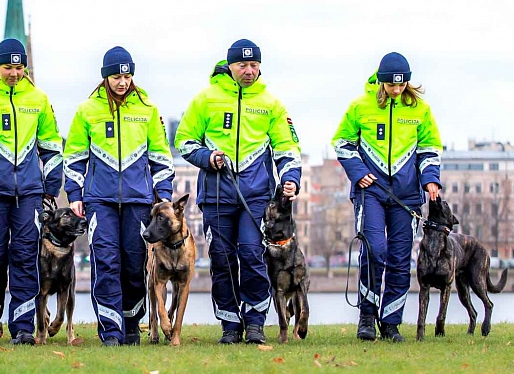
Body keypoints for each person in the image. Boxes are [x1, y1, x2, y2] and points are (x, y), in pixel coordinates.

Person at [175, 39, 301, 345]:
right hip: (217, 195)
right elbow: (185, 141)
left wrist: (291, 179)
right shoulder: (205, 100)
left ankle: (255, 322)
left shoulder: (271, 103)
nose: (249, 70)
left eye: (254, 65)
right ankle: (230, 324)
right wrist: (209, 158)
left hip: (256, 196)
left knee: (252, 254)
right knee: (221, 258)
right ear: (230, 66)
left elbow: (288, 147)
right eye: (243, 65)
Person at [63, 46, 174, 346]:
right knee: (107, 263)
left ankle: (130, 325)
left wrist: (163, 197)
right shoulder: (87, 110)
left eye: (127, 75)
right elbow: (73, 157)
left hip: (139, 202)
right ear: (105, 77)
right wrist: (75, 194)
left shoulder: (147, 110)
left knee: (134, 265)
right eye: (116, 76)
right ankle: (111, 332)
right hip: (101, 200)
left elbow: (161, 158)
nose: (122, 82)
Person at [0, 38, 63, 345]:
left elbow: (52, 147)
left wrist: (50, 187)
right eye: (8, 67)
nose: (14, 73)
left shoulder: (39, 99)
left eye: (19, 68)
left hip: (29, 193)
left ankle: (23, 328)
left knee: (25, 256)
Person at [332, 52, 442, 342]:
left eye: (401, 84)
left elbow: (429, 149)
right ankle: (367, 316)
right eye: (392, 85)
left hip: (406, 197)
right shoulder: (360, 106)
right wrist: (357, 171)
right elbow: (342, 144)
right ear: (381, 82)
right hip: (371, 192)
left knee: (399, 259)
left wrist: (431, 180)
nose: (396, 89)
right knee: (374, 250)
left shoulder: (420, 109)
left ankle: (391, 322)